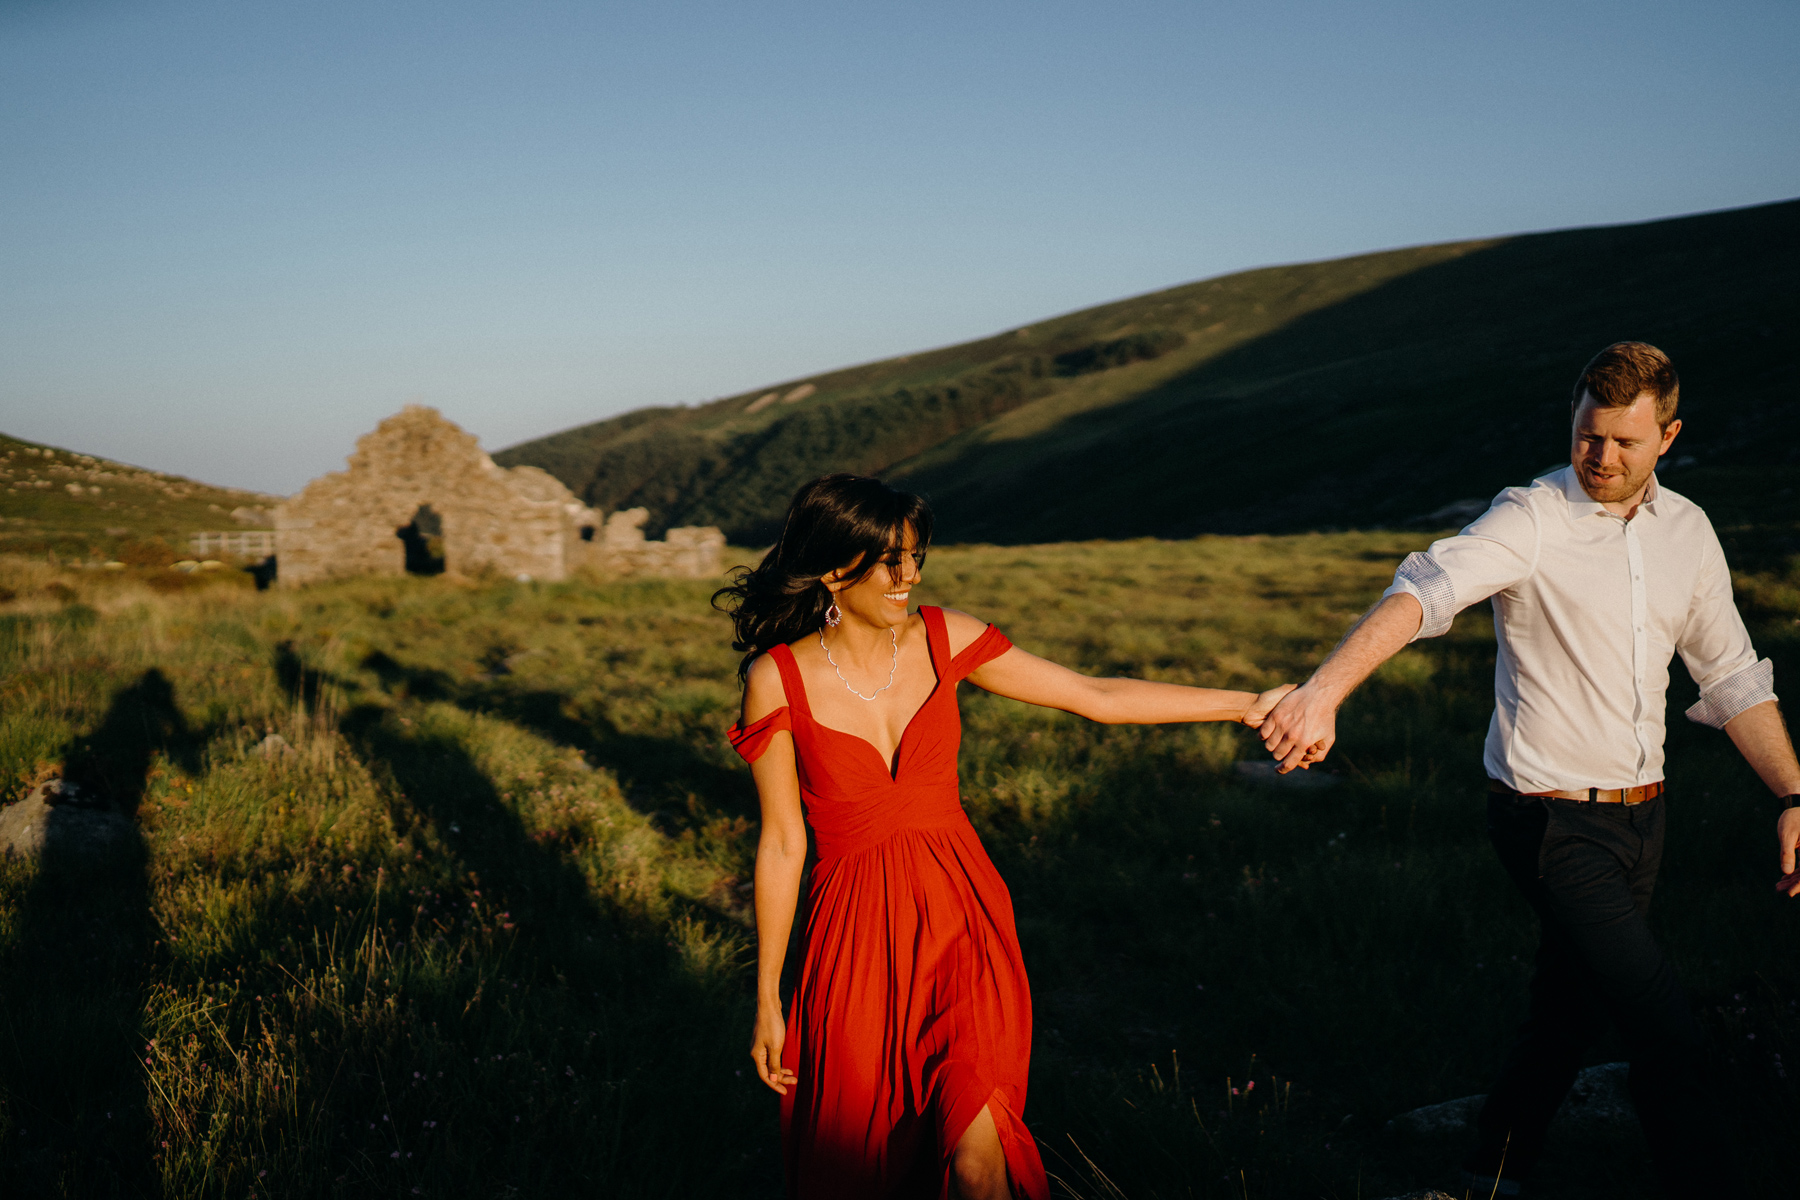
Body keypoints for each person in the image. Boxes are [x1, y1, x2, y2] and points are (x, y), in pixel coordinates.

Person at [1257, 342, 1800, 1196]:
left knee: (1569, 1009)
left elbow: (1730, 674)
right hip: (1548, 821)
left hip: (1642, 818)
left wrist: (1792, 793)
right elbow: (1426, 591)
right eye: (1588, 435)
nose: (1601, 458)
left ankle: (1491, 1167)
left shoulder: (1688, 532)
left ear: (1669, 435)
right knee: (1665, 1030)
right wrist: (1324, 690)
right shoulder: (1531, 516)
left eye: (1625, 441)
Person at [717, 473, 1292, 1200]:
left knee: (978, 1159)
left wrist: (1247, 705)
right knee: (866, 1161)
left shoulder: (944, 636)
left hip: (964, 921)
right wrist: (768, 996)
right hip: (854, 942)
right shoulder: (777, 679)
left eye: (916, 556)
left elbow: (1095, 696)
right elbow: (781, 845)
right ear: (836, 569)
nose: (910, 575)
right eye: (891, 560)